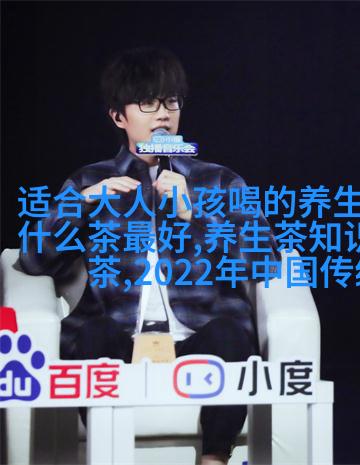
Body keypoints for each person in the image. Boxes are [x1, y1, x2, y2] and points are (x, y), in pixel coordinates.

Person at [18, 46, 280, 465]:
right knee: (91, 336)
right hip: (120, 336)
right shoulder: (91, 181)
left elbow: (265, 260)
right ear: (118, 117)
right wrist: (81, 204)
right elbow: (33, 261)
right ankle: (109, 455)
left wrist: (195, 215)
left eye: (171, 103)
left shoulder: (220, 181)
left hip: (196, 336)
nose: (163, 115)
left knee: (232, 335)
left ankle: (214, 458)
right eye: (148, 104)